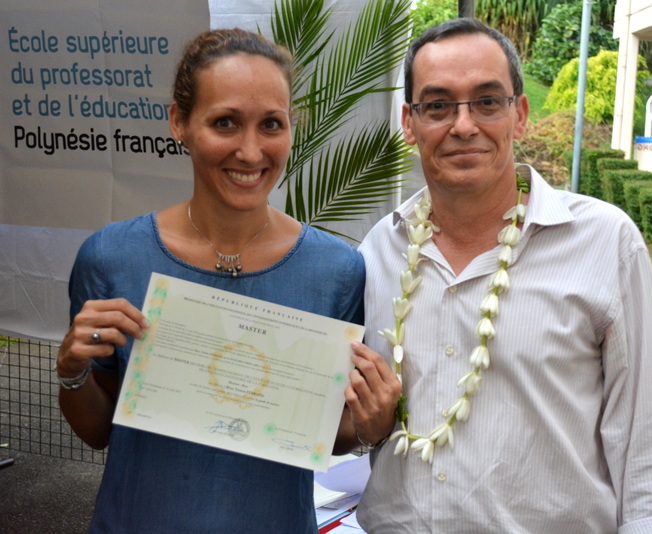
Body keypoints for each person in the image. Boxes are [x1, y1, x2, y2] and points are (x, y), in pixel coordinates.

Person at [55, 28, 399, 533]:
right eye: (225, 123)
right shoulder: (111, 257)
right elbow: (99, 431)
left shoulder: (335, 271)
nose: (250, 151)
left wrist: (372, 423)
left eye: (271, 125)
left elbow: (332, 435)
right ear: (179, 123)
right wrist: (71, 369)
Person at [355, 18, 652, 533]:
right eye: (438, 105)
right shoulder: (378, 250)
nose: (463, 125)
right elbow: (352, 418)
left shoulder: (604, 242)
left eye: (487, 102)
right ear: (409, 122)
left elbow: (647, 448)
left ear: (520, 114)